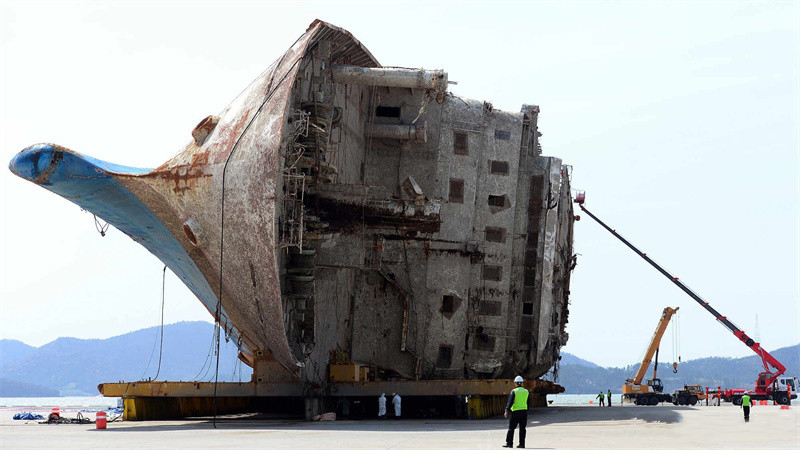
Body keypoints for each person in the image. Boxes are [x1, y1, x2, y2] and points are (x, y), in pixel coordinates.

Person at [503, 375, 529, 448]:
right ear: (522, 383)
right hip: (524, 412)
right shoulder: (526, 391)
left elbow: (510, 402)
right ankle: (522, 444)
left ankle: (509, 443)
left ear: (515, 383)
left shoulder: (514, 391)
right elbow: (528, 402)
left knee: (511, 428)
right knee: (522, 429)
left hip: (516, 412)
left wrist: (506, 410)